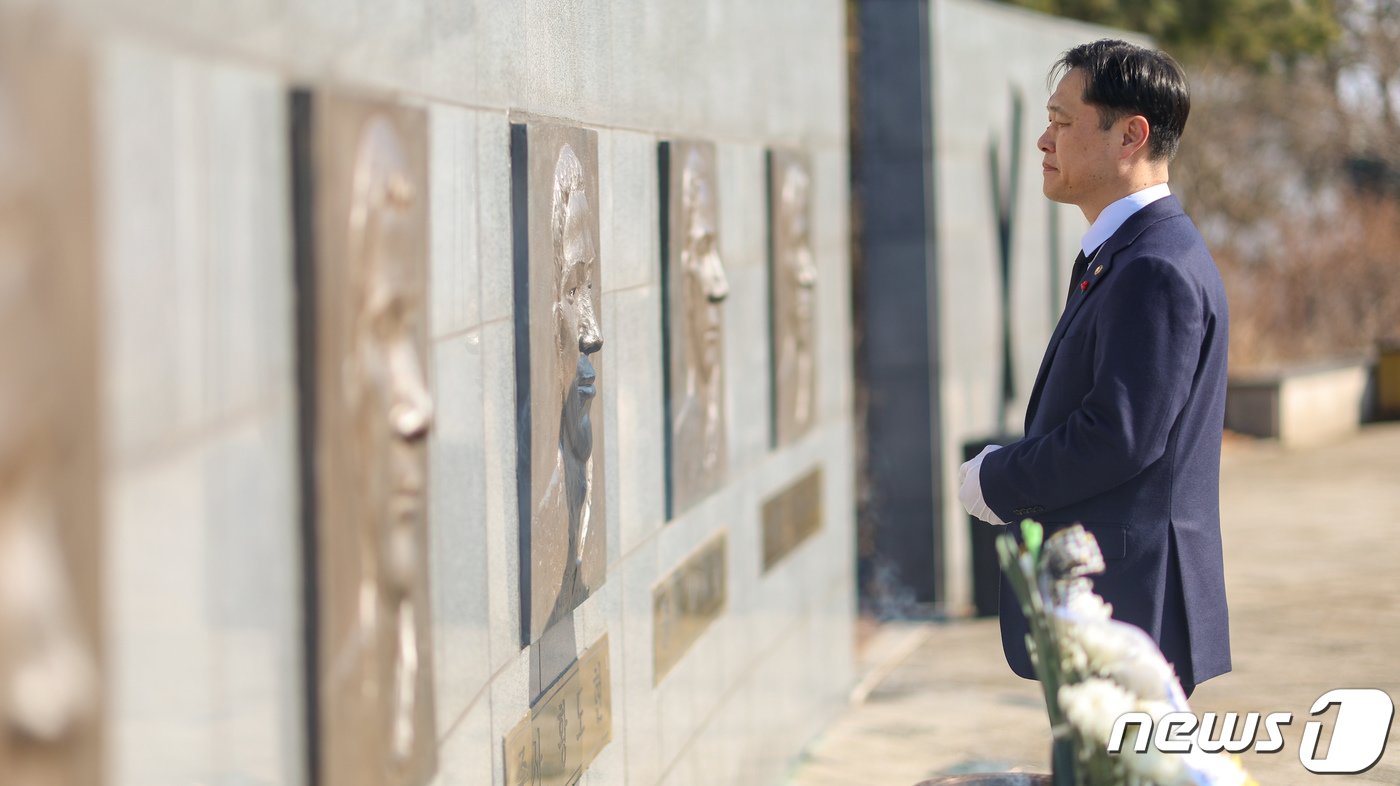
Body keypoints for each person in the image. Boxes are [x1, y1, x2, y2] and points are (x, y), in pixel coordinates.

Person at [958, 39, 1231, 697]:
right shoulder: (1131, 253)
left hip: (1130, 611)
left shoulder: (1153, 268)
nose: (1043, 142)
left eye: (1062, 121)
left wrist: (996, 480)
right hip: (1120, 608)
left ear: (1129, 136)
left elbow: (1119, 436)